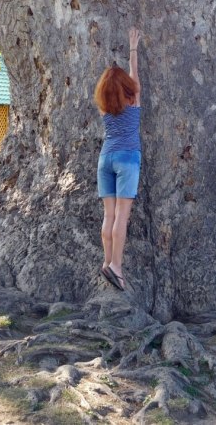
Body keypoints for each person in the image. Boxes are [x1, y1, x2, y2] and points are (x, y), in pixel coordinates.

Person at [94, 27, 142, 291]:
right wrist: (133, 48)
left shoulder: (103, 106)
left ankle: (106, 261)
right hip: (128, 159)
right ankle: (116, 267)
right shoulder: (134, 100)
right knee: (121, 218)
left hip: (106, 158)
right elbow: (134, 77)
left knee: (108, 216)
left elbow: (113, 89)